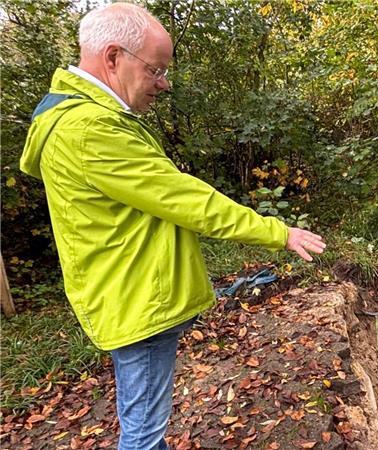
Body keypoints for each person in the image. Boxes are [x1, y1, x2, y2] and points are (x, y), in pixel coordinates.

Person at [19, 3, 326, 449]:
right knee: (143, 435)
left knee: (144, 426)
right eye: (156, 70)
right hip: (138, 300)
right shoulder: (90, 130)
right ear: (113, 57)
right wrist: (279, 232)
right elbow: (186, 200)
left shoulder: (79, 120)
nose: (163, 84)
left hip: (129, 290)